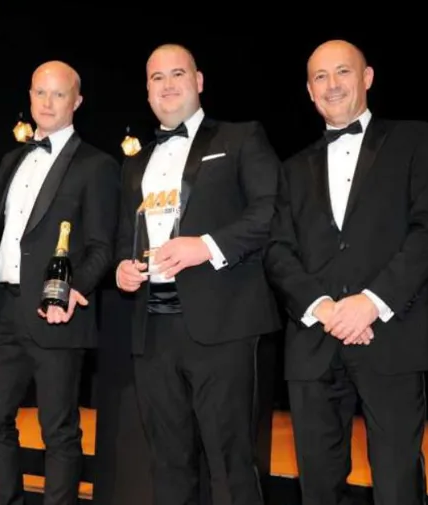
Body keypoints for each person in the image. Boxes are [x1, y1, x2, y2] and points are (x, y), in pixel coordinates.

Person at [264, 39, 428, 505]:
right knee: (319, 489)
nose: (332, 85)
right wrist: (326, 310)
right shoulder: (289, 169)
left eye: (342, 72)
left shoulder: (413, 139)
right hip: (314, 343)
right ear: (308, 91)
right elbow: (278, 251)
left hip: (393, 336)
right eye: (320, 77)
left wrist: (370, 303)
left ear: (366, 78)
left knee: (397, 485)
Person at [114, 43, 281, 505]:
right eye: (157, 78)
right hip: (152, 329)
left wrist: (205, 247)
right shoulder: (134, 163)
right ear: (147, 90)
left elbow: (270, 212)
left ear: (199, 80)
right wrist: (122, 270)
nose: (167, 86)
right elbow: (123, 236)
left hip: (222, 323)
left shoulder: (241, 138)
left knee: (231, 461)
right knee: (167, 462)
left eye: (177, 74)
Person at [0, 60, 119, 505]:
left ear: (77, 101)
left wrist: (67, 291)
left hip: (56, 313)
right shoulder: (12, 159)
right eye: (40, 93)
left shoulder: (97, 165)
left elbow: (102, 246)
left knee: (58, 430)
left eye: (58, 94)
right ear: (29, 97)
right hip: (3, 311)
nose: (47, 102)